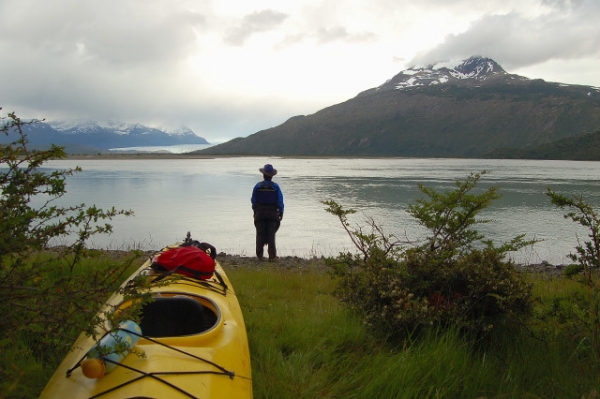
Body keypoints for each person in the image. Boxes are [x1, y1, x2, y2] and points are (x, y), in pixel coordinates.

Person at [251, 164, 284, 261]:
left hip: (260, 214)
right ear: (272, 175)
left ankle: (259, 255)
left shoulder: (257, 186)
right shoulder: (276, 187)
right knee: (271, 235)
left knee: (260, 234)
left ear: (263, 175)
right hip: (273, 214)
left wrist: (255, 211)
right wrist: (281, 212)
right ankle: (272, 256)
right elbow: (280, 201)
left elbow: (254, 201)